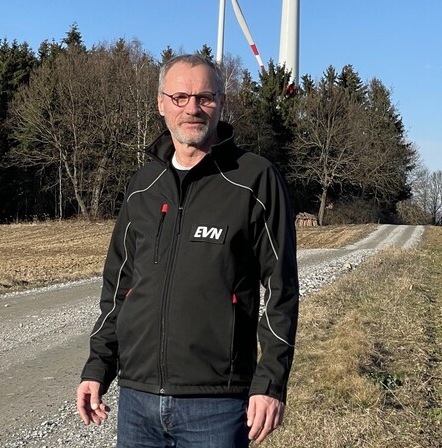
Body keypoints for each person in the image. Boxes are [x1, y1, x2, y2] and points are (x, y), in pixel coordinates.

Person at [76, 54, 299, 447]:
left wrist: (271, 382)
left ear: (222, 103)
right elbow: (118, 287)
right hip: (138, 401)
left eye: (204, 97)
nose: (192, 108)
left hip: (217, 404)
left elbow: (281, 289)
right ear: (161, 103)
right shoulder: (143, 185)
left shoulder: (254, 179)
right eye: (180, 97)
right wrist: (98, 366)